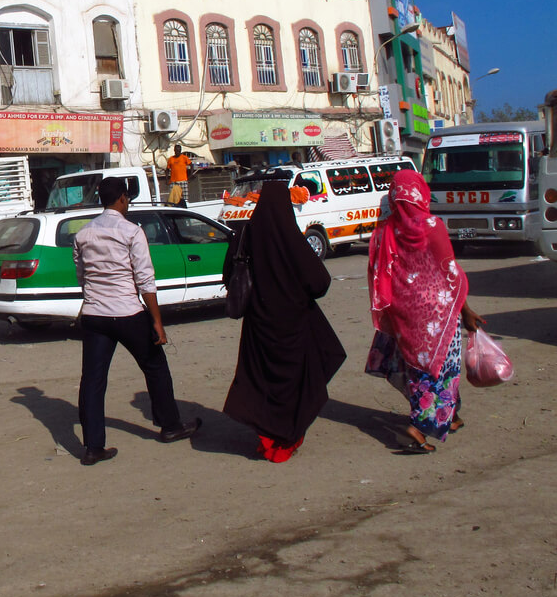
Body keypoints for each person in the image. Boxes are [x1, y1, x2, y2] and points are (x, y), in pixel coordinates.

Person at [73, 177, 201, 466]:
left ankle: (93, 447)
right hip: (128, 312)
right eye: (127, 198)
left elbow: (82, 276)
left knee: (92, 381)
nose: (128, 202)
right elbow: (145, 279)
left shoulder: (83, 234)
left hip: (95, 315)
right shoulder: (132, 231)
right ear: (120, 198)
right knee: (155, 367)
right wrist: (157, 321)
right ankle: (170, 426)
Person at [222, 181, 346, 462]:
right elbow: (320, 281)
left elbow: (229, 274)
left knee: (262, 379)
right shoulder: (290, 237)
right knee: (296, 379)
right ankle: (284, 438)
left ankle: (266, 438)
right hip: (293, 322)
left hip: (259, 322)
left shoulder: (247, 234)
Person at [365, 170, 486, 453]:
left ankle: (450, 417)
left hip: (404, 310)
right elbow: (450, 271)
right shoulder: (432, 225)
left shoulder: (386, 228)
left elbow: (379, 271)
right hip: (438, 310)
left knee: (418, 364)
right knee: (441, 366)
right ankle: (418, 429)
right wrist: (465, 309)